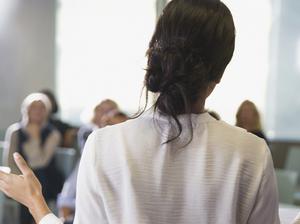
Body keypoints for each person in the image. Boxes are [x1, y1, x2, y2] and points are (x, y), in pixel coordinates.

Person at [0, 0, 287, 223]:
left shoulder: (104, 145)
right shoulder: (252, 153)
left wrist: (36, 202)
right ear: (221, 71)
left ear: (155, 53)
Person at [57, 99, 124, 223]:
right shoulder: (88, 133)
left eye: (110, 111)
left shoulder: (120, 135)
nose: (106, 115)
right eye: (101, 110)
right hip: (87, 171)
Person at [2, 93, 64, 224]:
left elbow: (39, 162)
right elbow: (9, 161)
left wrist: (34, 138)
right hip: (20, 175)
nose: (37, 111)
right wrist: (20, 179)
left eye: (42, 108)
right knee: (25, 183)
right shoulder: (14, 131)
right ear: (26, 109)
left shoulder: (53, 134)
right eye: (33, 107)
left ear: (46, 111)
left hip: (47, 178)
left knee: (37, 177)